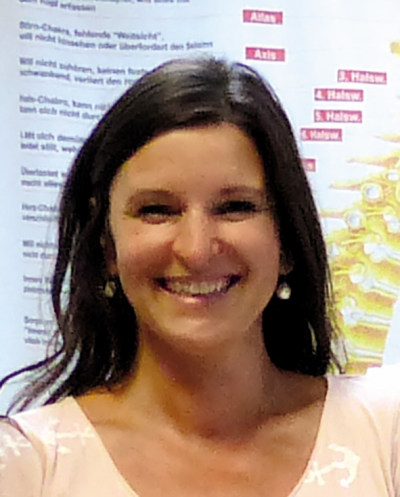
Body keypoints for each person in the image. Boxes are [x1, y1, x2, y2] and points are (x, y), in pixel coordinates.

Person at [0, 56, 398, 496]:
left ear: (286, 239)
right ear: (107, 246)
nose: (196, 249)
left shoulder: (384, 434)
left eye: (235, 208)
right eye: (157, 210)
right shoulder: (27, 464)